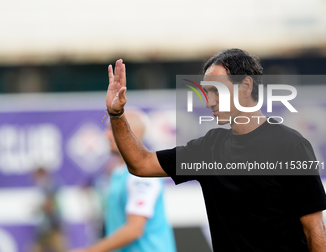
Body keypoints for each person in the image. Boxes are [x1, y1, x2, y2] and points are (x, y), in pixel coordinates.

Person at [104, 49, 326, 252]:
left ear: (246, 86)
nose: (209, 102)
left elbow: (314, 229)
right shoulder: (208, 148)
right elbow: (141, 163)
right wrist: (117, 114)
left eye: (216, 91)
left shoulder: (290, 146)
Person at [70, 110, 176, 252]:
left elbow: (134, 229)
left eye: (112, 129)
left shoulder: (142, 176)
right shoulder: (119, 174)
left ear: (133, 134)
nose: (106, 135)